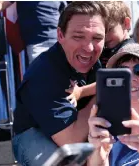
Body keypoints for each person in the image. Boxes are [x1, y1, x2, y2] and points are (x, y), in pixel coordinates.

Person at [11, 2, 108, 165]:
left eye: (97, 38)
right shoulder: (44, 74)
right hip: (34, 133)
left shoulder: (101, 61)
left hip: (79, 127)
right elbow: (71, 141)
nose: (89, 48)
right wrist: (103, 92)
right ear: (60, 35)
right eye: (78, 36)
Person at [66, 1, 134, 106]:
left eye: (109, 30)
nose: (104, 37)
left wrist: (81, 91)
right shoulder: (108, 48)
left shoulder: (129, 51)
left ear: (126, 23)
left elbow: (113, 80)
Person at [0, 1, 67, 63]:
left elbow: (68, 15)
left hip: (60, 43)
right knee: (42, 80)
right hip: (37, 45)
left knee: (65, 81)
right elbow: (1, 4)